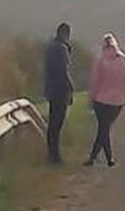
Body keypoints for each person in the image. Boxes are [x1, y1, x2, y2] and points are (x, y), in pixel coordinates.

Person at [84, 33, 125, 167]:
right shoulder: (124, 60)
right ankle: (107, 158)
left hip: (101, 100)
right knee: (105, 128)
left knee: (103, 129)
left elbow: (94, 82)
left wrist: (91, 99)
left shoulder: (100, 61)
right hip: (118, 101)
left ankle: (95, 157)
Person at [44, 22, 74, 164]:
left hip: (51, 89)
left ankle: (52, 153)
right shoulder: (62, 49)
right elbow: (64, 71)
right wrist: (71, 87)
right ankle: (55, 156)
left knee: (53, 124)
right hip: (61, 90)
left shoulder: (50, 48)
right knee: (57, 124)